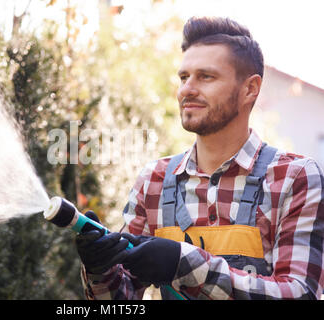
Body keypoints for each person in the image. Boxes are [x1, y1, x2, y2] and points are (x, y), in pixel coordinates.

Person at [76, 16, 324, 300]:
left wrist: (186, 264)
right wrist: (99, 268)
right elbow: (120, 299)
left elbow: (301, 293)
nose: (187, 89)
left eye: (206, 76)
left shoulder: (294, 178)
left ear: (250, 89)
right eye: (184, 77)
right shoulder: (153, 181)